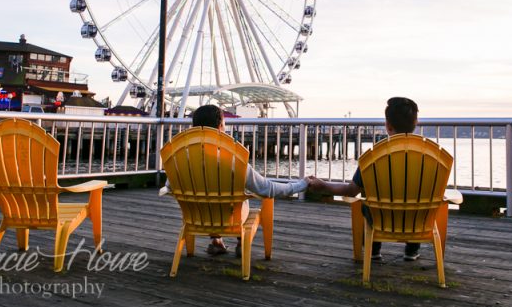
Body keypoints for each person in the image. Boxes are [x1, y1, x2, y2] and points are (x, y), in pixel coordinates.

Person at [160, 104, 309, 256]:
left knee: (208, 196)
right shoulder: (232, 159)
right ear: (220, 126)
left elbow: (168, 186)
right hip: (230, 219)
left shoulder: (180, 159)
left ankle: (216, 241)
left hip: (196, 216)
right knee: (240, 196)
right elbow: (267, 189)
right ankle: (241, 242)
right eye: (224, 124)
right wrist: (302, 185)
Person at [308, 97, 422, 261]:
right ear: (415, 123)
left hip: (381, 218)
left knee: (367, 204)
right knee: (416, 202)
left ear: (388, 126)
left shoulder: (374, 156)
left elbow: (351, 191)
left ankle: (373, 249)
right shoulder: (430, 157)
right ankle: (412, 249)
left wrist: (323, 185)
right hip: (417, 220)